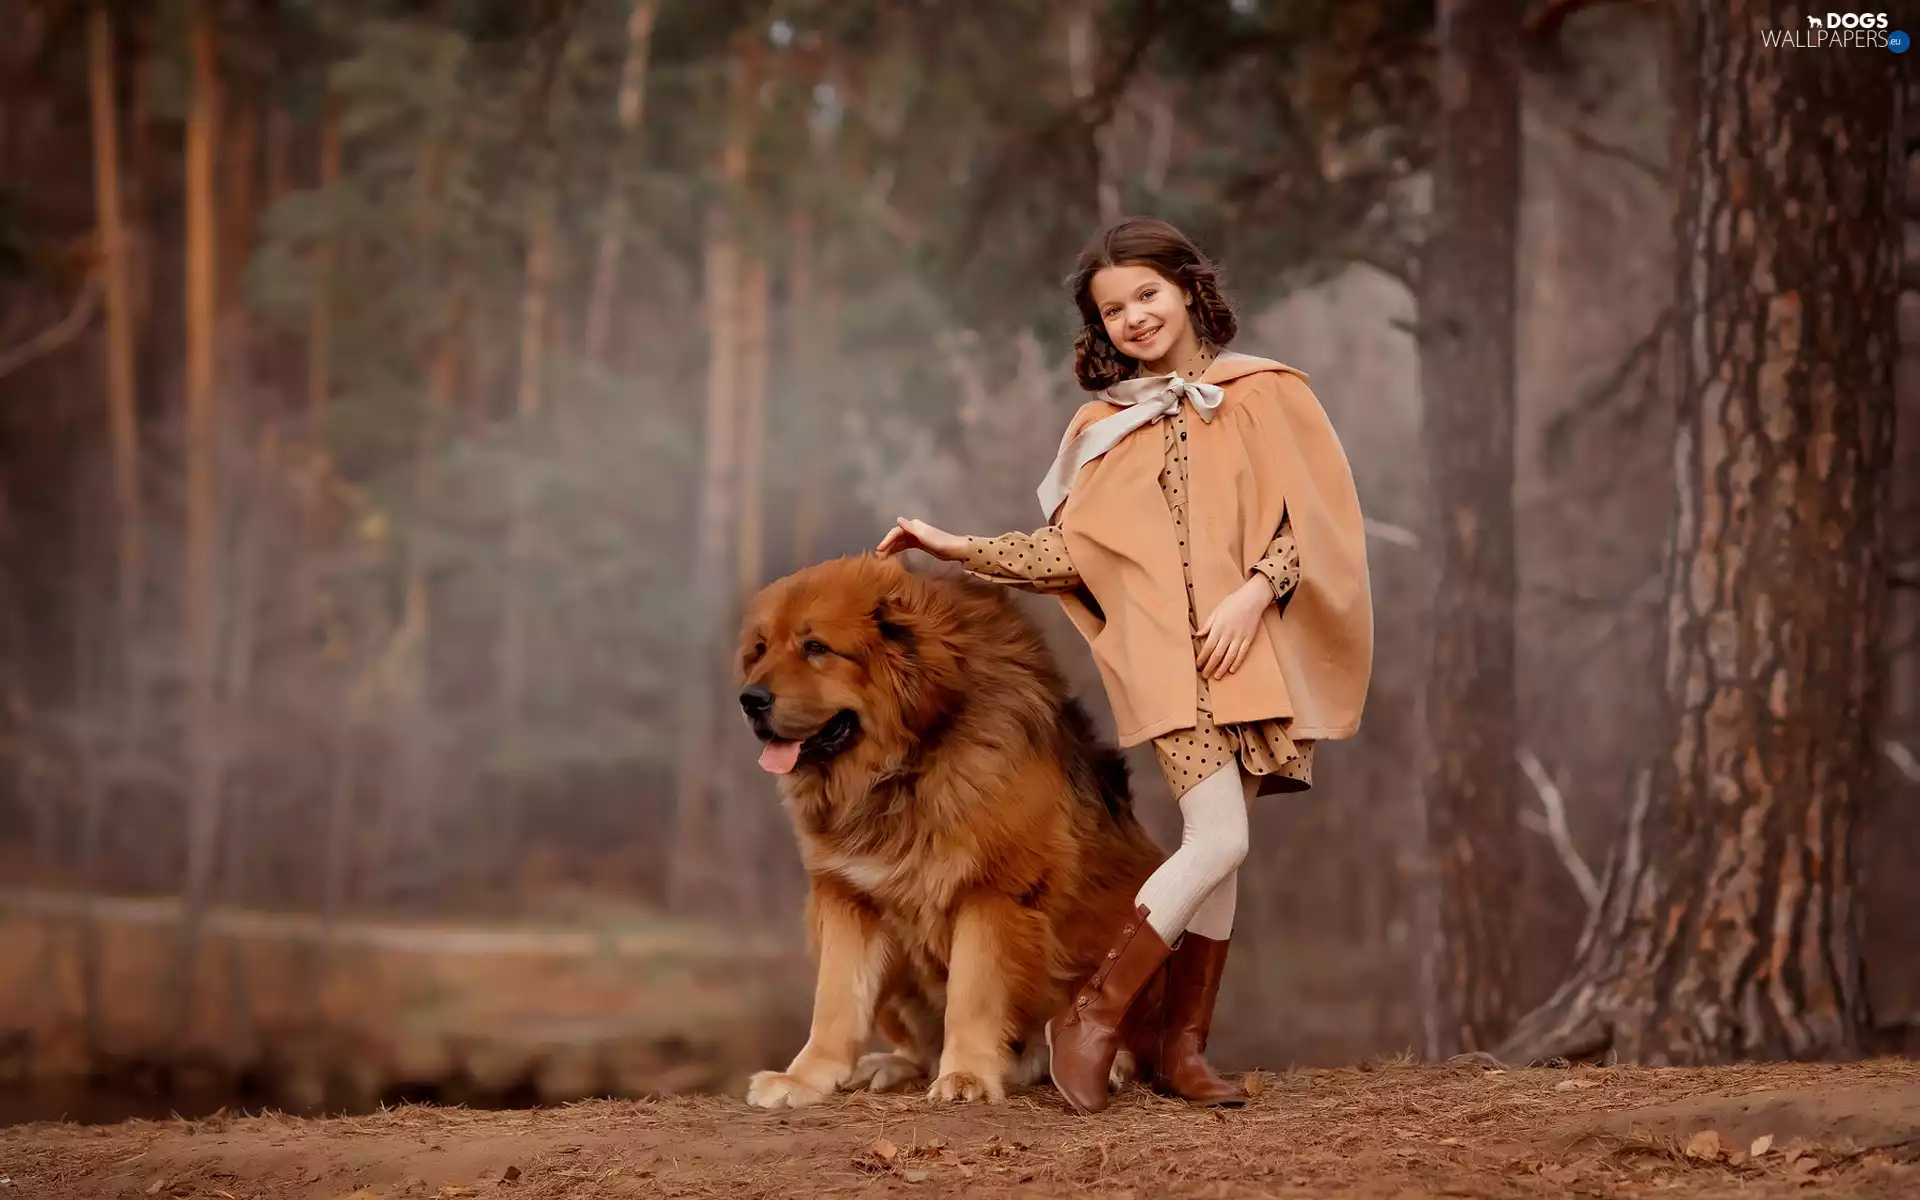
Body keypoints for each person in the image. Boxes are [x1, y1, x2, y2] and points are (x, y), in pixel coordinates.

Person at [876, 215, 1374, 1114]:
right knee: (1218, 837)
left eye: (1147, 294)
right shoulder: (1105, 428)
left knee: (1222, 855)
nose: (1134, 317)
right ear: (1098, 328)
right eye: (1113, 309)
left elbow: (1319, 523)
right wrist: (953, 545)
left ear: (1187, 288)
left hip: (1247, 652)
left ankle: (1183, 1051)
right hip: (1166, 666)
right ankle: (1096, 1015)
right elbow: (1068, 553)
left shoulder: (1268, 393)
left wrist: (1254, 592)